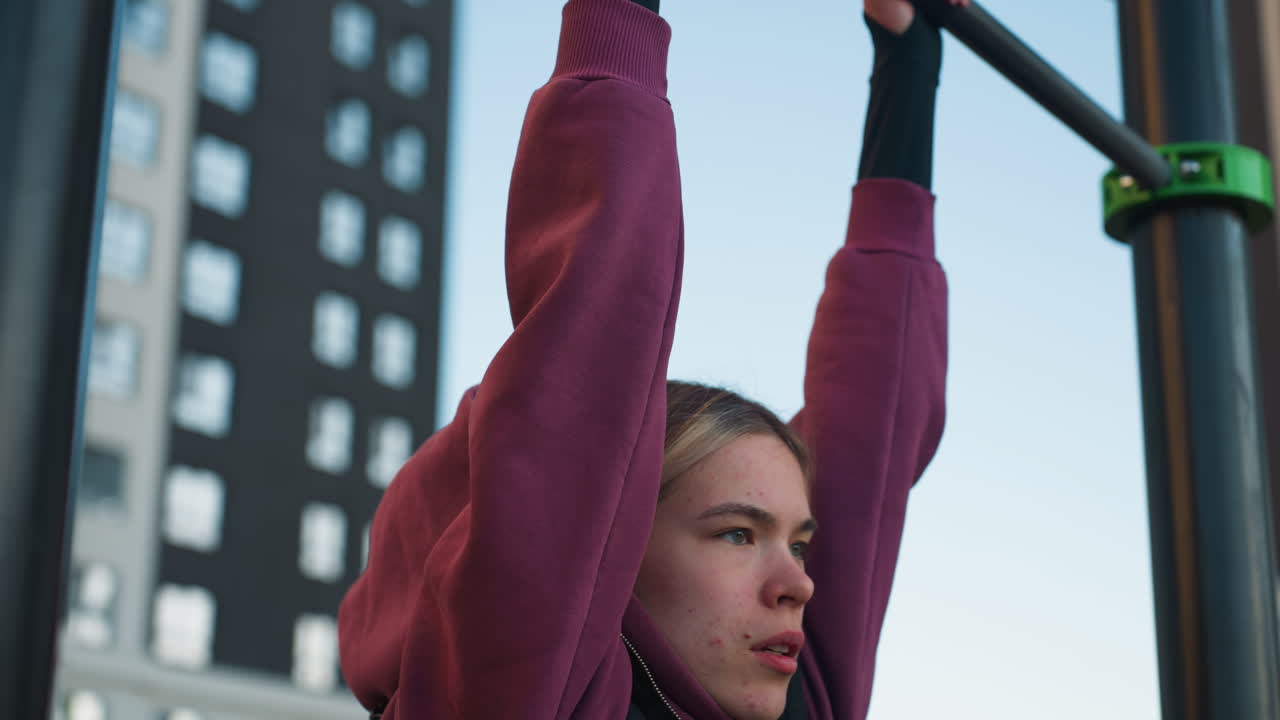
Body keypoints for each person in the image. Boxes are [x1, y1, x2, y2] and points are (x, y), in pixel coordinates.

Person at [338, 0, 963, 716]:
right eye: (737, 532)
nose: (799, 583)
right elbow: (589, 349)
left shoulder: (804, 703)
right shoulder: (518, 696)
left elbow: (874, 441)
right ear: (612, 550)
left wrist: (909, 66)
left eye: (798, 545)